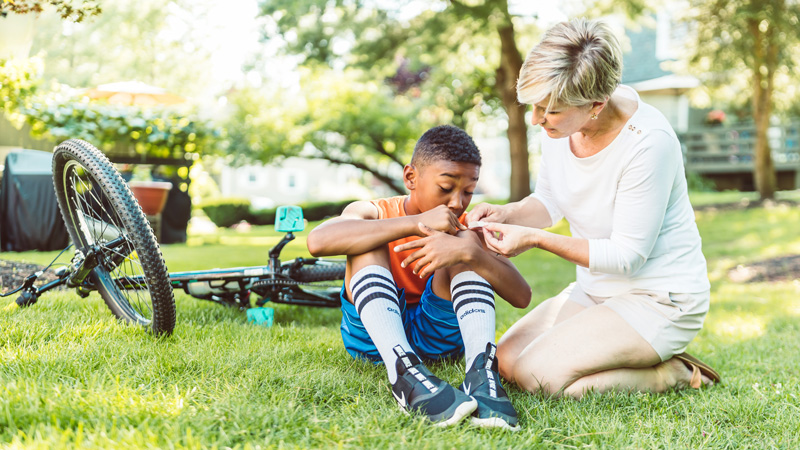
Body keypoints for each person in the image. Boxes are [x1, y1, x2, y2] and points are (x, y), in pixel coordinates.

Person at [405, 19, 721, 399]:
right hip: (595, 290)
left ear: (596, 106)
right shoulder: (561, 126)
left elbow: (627, 256)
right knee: (506, 361)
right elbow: (550, 201)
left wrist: (535, 239)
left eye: (549, 111)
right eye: (535, 106)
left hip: (659, 299)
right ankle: (621, 350)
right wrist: (507, 214)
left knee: (542, 378)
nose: (536, 119)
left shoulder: (648, 144)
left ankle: (672, 372)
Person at [307, 125, 531, 429]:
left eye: (468, 191)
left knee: (465, 247)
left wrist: (472, 253)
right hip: (375, 341)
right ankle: (403, 373)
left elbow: (522, 296)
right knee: (363, 244)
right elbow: (318, 242)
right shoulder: (373, 210)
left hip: (436, 338)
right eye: (446, 188)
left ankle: (481, 375)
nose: (457, 202)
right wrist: (415, 223)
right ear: (411, 177)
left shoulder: (466, 225)